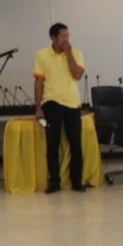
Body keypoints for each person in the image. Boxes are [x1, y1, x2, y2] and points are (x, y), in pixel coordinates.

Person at [34, 22, 87, 194]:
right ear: (53, 37)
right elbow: (39, 82)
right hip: (51, 103)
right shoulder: (42, 55)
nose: (66, 39)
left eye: (68, 36)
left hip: (72, 103)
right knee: (52, 144)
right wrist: (38, 107)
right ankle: (54, 182)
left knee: (76, 143)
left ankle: (77, 181)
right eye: (63, 36)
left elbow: (77, 75)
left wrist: (68, 53)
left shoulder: (76, 52)